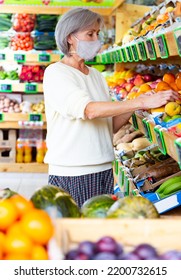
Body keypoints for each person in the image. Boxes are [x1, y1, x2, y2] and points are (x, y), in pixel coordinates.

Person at [43, 7, 179, 208]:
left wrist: (138, 103)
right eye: (90, 34)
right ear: (70, 38)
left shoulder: (96, 76)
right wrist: (140, 102)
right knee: (79, 232)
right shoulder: (57, 73)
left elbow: (111, 125)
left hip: (104, 167)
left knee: (97, 231)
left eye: (97, 34)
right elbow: (89, 110)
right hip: (74, 170)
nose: (96, 39)